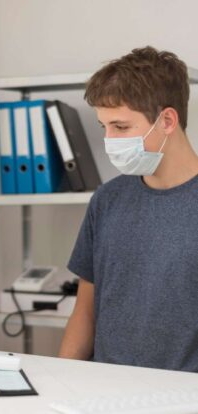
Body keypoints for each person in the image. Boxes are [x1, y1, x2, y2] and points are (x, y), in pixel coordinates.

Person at [59, 46, 198, 372]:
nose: (109, 140)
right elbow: (85, 311)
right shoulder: (108, 200)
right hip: (107, 391)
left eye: (120, 127)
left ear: (167, 120)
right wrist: (61, 382)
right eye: (103, 126)